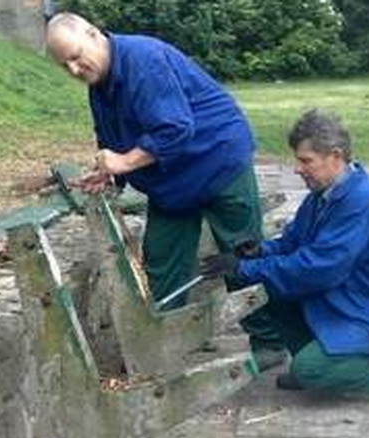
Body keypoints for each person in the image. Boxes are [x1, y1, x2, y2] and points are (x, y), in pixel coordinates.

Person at [43, 12, 285, 368]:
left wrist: (124, 163)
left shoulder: (144, 60)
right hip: (172, 183)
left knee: (241, 254)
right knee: (161, 263)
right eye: (66, 66)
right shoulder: (100, 88)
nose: (76, 70)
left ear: (94, 34)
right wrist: (110, 176)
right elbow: (112, 140)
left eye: (77, 57)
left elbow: (174, 128)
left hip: (218, 161)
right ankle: (165, 347)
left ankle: (270, 343)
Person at [201, 109, 369, 405]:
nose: (297, 169)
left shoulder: (364, 201)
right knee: (268, 290)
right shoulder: (323, 196)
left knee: (309, 370)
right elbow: (294, 242)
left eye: (306, 161)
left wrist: (245, 268)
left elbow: (319, 269)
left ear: (336, 156)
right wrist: (258, 251)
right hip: (346, 299)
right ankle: (328, 365)